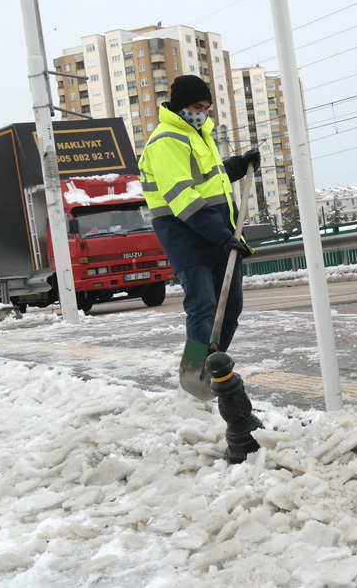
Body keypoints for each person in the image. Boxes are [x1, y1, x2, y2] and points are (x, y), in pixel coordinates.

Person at [139, 75, 262, 461]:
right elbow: (182, 195)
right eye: (196, 108)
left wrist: (236, 166)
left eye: (206, 109)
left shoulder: (199, 136)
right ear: (179, 105)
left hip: (217, 231)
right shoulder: (165, 140)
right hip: (187, 234)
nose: (201, 114)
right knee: (205, 305)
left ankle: (216, 372)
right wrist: (219, 234)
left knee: (233, 307)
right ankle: (195, 381)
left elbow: (209, 179)